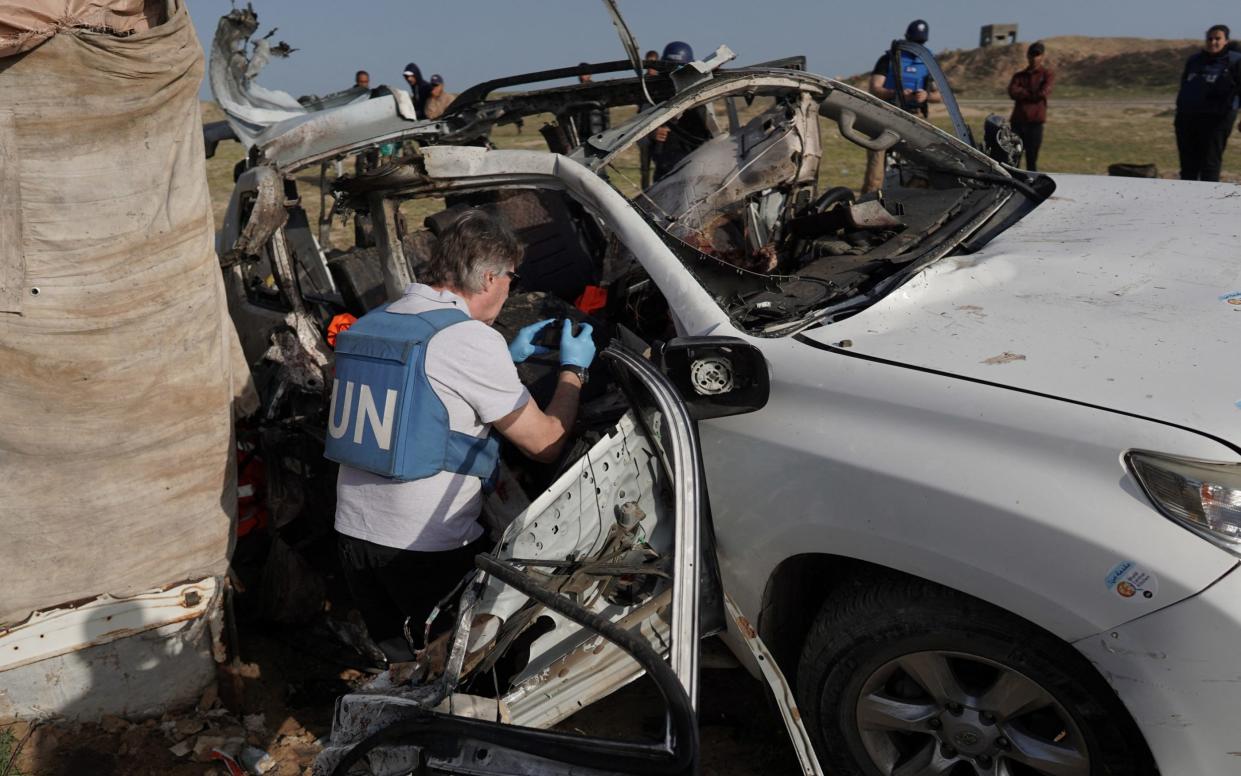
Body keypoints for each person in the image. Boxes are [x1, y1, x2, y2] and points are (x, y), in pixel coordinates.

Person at [331, 209, 596, 656]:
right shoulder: (468, 339)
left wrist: (504, 358)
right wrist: (574, 370)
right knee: (473, 671)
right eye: (513, 277)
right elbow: (546, 444)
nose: (512, 288)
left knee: (403, 665)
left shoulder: (377, 319)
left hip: (355, 538)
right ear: (490, 278)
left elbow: (424, 391)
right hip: (422, 547)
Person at [863, 20, 942, 193]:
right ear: (906, 38)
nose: (916, 47)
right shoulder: (889, 59)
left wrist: (926, 95)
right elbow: (875, 87)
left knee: (920, 164)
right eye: (914, 42)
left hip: (916, 117)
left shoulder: (928, 62)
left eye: (920, 43)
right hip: (887, 115)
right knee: (877, 162)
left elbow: (940, 95)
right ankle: (869, 200)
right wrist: (896, 93)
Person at [1174, 24, 1241, 181]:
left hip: (1217, 118)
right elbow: (1185, 84)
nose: (1213, 42)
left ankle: (1208, 202)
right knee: (1188, 165)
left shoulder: (1235, 61)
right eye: (1210, 38)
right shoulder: (1195, 60)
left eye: (1218, 39)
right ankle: (1186, 200)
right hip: (1187, 118)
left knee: (1209, 163)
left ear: (1226, 41)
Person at [651, 41, 712, 182]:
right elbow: (635, 131)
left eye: (680, 69)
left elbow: (710, 135)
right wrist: (651, 134)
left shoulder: (702, 97)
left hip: (694, 170)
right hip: (663, 172)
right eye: (670, 69)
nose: (675, 74)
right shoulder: (653, 96)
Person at [1007, 41, 1055, 172]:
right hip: (1018, 122)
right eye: (1032, 55)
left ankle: (1030, 186)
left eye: (1037, 55)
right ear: (1027, 56)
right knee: (1013, 159)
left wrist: (1023, 93)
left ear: (1042, 56)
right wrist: (1033, 94)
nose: (1034, 58)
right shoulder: (1019, 76)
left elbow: (1043, 93)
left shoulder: (1047, 75)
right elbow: (1012, 92)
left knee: (1031, 160)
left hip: (1035, 123)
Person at [569, 64, 610, 143]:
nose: (581, 77)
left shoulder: (598, 90)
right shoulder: (576, 92)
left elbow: (605, 113)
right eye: (579, 74)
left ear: (590, 75)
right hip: (582, 133)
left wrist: (607, 134)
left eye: (583, 74)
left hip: (597, 132)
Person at [638, 50, 660, 188]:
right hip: (644, 130)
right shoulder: (642, 82)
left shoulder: (663, 81)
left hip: (659, 127)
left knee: (660, 163)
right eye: (648, 64)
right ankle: (645, 191)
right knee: (645, 167)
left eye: (653, 63)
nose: (651, 67)